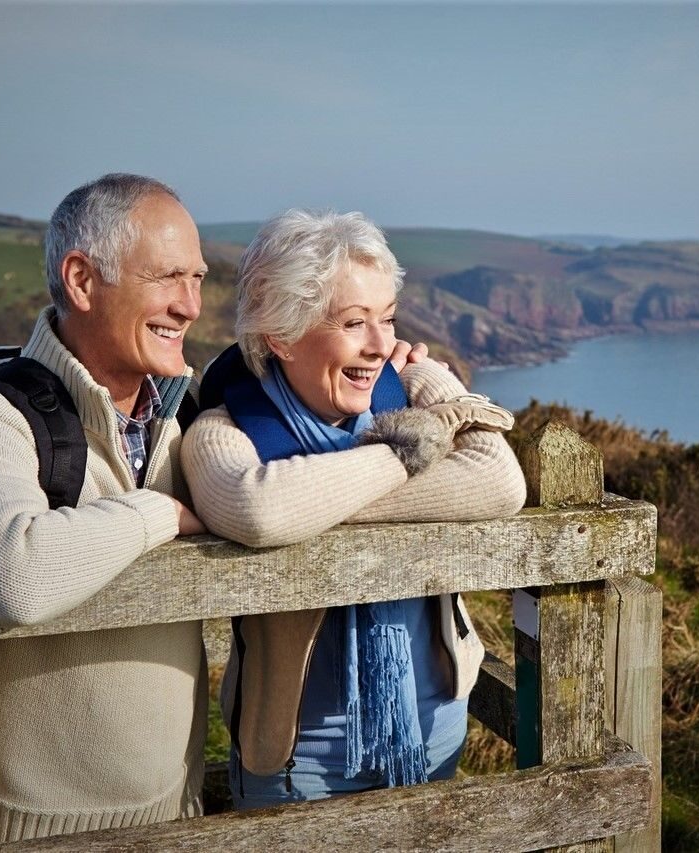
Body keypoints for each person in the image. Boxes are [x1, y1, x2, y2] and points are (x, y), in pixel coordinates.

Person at [181, 209, 526, 809]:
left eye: (388, 319)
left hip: (433, 731)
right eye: (352, 323)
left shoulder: (404, 390)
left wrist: (429, 377)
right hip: (297, 761)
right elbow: (260, 509)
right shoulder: (224, 429)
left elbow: (499, 482)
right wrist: (411, 451)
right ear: (280, 336)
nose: (379, 345)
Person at [0, 173, 212, 843]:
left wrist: (408, 376)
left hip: (181, 814)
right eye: (169, 277)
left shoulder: (183, 414)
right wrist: (158, 513)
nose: (191, 305)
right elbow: (10, 575)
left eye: (197, 278)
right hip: (35, 829)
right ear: (81, 280)